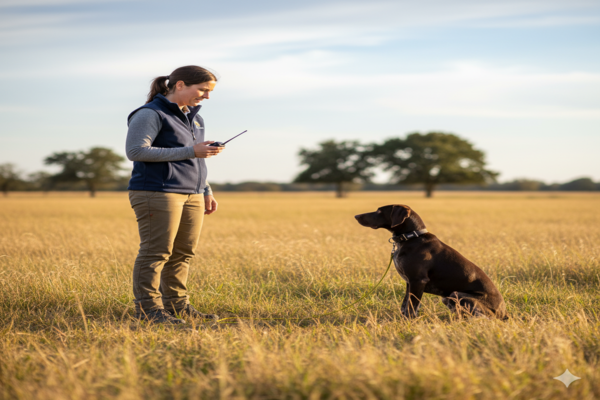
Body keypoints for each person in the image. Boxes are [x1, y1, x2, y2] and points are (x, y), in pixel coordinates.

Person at [125, 65, 224, 324]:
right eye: (202, 90)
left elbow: (196, 159)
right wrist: (192, 151)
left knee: (183, 253)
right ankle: (148, 310)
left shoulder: (195, 117)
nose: (206, 96)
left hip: (192, 193)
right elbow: (136, 151)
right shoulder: (150, 113)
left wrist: (206, 189)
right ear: (179, 85)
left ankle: (177, 306)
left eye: (209, 91)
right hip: (156, 191)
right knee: (156, 252)